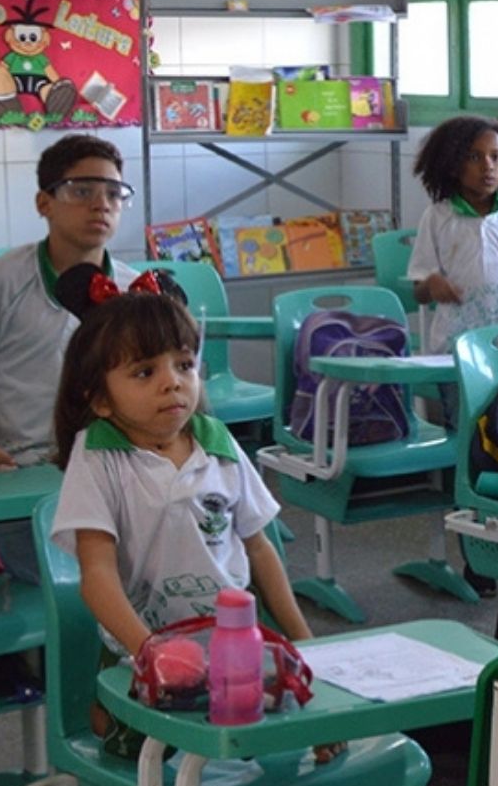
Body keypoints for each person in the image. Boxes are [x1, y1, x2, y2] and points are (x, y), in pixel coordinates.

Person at [47, 265, 312, 760]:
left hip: (234, 646)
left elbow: (259, 549)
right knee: (140, 749)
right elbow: (96, 574)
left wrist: (303, 640)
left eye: (184, 365)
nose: (172, 383)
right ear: (100, 400)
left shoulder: (218, 442)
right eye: (145, 372)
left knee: (289, 725)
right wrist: (151, 651)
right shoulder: (98, 455)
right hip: (140, 647)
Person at [0, 132, 129, 581]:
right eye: (81, 191)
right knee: (48, 582)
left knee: (123, 577)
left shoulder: (130, 289)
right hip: (18, 464)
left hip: (102, 463)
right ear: (44, 203)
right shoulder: (2, 280)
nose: (101, 205)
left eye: (113, 193)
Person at [405, 114, 498, 355]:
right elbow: (419, 293)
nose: (488, 166)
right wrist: (431, 284)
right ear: (454, 165)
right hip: (455, 346)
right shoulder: (437, 217)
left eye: (496, 157)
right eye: (475, 157)